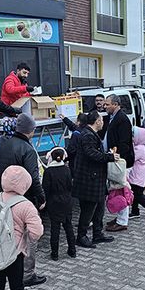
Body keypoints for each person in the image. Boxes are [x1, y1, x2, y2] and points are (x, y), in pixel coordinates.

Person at [0, 113, 47, 287]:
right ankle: (27, 275)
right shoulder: (28, 149)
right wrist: (41, 197)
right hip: (24, 199)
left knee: (7, 234)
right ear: (30, 131)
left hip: (4, 195)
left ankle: (4, 266)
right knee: (28, 238)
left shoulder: (5, 144)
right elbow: (34, 177)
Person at [72, 111, 118, 248]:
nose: (103, 123)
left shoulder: (90, 134)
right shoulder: (87, 135)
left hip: (96, 177)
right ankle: (81, 236)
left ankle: (97, 233)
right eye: (102, 120)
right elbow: (91, 154)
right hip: (89, 178)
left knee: (99, 207)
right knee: (88, 209)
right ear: (97, 121)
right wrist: (109, 157)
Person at [42, 147, 76, 261]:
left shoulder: (48, 171)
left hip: (54, 203)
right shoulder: (66, 169)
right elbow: (70, 186)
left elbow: (45, 188)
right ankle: (72, 251)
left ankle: (55, 254)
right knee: (68, 226)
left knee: (55, 229)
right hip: (67, 201)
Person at [103, 95, 134, 168]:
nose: (105, 107)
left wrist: (119, 158)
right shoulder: (111, 117)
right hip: (111, 156)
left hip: (118, 160)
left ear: (115, 104)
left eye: (107, 104)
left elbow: (124, 143)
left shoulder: (122, 119)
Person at [58, 112, 88, 177]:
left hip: (75, 163)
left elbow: (71, 150)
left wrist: (64, 158)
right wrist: (65, 119)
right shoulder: (87, 131)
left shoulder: (76, 134)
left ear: (79, 122)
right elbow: (73, 126)